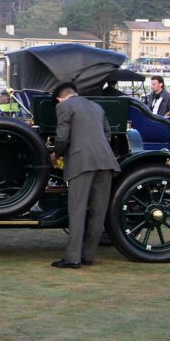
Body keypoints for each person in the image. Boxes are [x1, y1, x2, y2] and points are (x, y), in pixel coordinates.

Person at [50, 83, 120, 269]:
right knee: (98, 211)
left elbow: (62, 137)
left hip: (81, 162)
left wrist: (55, 154)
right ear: (76, 94)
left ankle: (73, 258)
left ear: (59, 98)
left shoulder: (63, 106)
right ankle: (88, 255)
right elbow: (107, 135)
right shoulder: (96, 106)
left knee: (77, 210)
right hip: (105, 161)